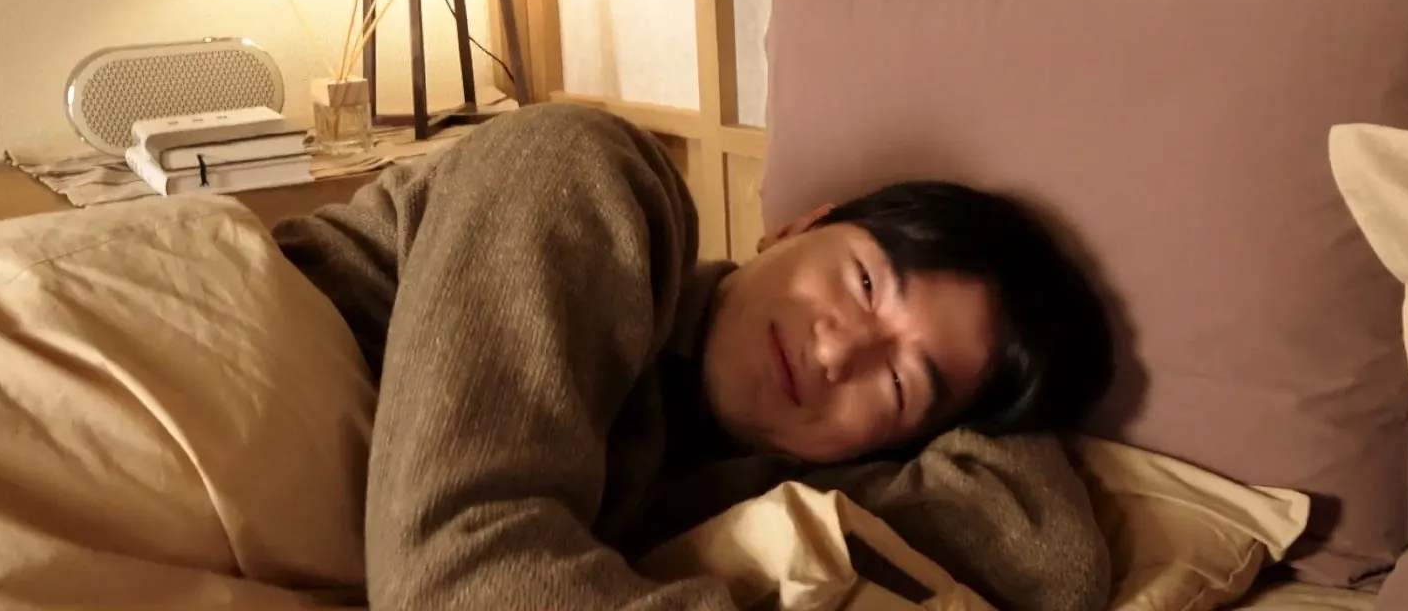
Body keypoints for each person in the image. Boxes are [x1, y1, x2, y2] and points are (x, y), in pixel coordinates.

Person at [273, 102, 1116, 611]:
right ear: (796, 227)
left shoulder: (764, 493)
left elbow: (1056, 564)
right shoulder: (591, 176)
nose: (838, 350)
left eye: (897, 383)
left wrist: (1015, 384)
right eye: (863, 282)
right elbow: (455, 576)